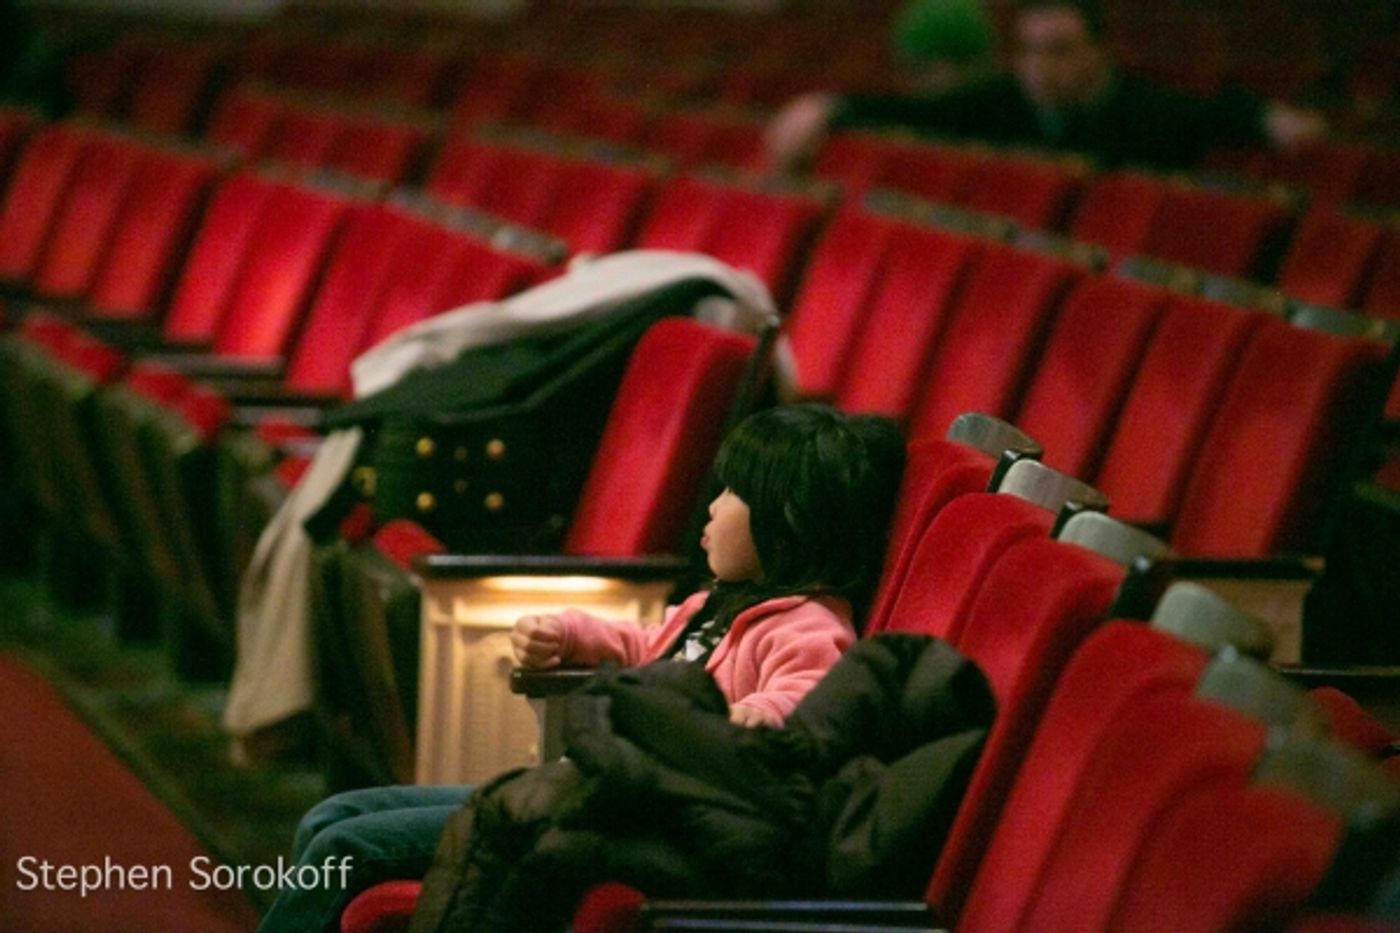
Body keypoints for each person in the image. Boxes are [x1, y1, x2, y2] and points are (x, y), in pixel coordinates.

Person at [255, 403, 906, 933]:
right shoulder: (718, 604)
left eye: (732, 492)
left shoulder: (812, 629)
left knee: (346, 850)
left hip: (638, 822)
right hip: (587, 793)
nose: (711, 507)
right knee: (330, 817)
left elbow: (789, 724)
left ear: (788, 519)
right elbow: (643, 641)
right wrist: (571, 633)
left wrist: (727, 719)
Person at [766, 0, 1328, 172]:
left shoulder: (1147, 109)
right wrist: (829, 105)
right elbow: (924, 114)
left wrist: (1267, 120)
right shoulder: (1006, 100)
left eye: (1058, 50)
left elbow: (1212, 112)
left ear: (1099, 53)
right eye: (1030, 50)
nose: (1040, 66)